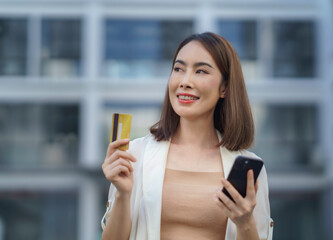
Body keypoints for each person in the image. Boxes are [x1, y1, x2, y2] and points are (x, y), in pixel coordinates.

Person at [101, 32, 273, 240]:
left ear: (224, 88)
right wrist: (123, 194)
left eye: (201, 71)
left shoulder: (248, 170)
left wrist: (245, 223)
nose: (185, 81)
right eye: (178, 69)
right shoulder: (135, 155)